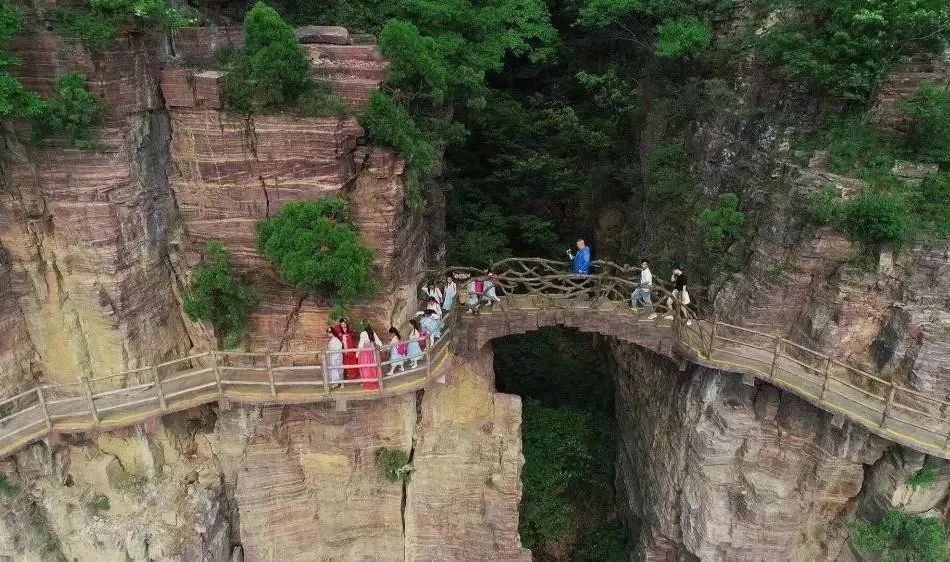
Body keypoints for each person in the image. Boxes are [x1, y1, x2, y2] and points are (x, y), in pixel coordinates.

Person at [357, 324, 383, 390]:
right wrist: (382, 348)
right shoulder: (372, 332)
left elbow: (361, 344)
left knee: (366, 367)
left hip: (366, 353)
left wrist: (357, 353)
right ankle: (375, 381)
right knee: (374, 367)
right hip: (373, 351)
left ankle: (369, 382)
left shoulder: (363, 333)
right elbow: (378, 341)